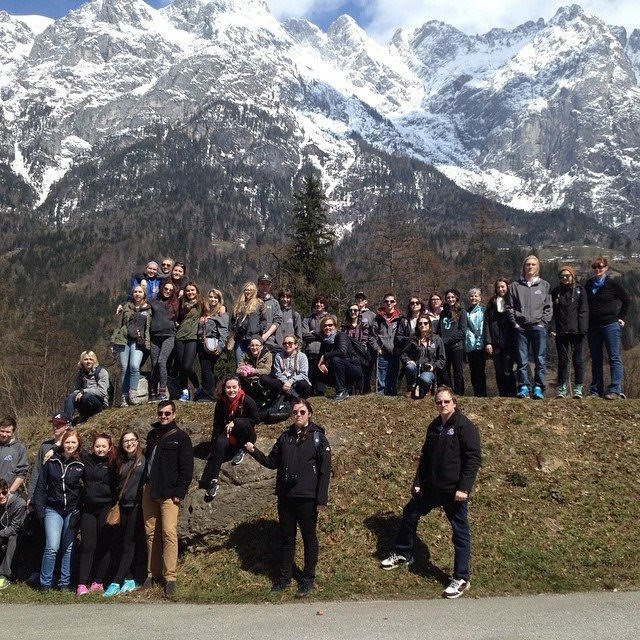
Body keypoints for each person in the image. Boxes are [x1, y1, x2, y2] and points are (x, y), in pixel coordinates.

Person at [380, 386, 481, 600]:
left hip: (454, 491)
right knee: (410, 512)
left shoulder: (465, 426)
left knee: (460, 533)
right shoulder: (434, 427)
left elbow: (473, 459)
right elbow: (425, 458)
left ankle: (461, 577)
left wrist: (464, 488)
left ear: (454, 402)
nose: (442, 405)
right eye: (439, 402)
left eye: (446, 402)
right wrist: (417, 482)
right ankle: (404, 553)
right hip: (432, 488)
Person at [244, 399, 331, 597]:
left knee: (309, 538)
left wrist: (321, 499)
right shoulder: (285, 437)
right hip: (286, 497)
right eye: (295, 412)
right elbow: (272, 462)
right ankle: (283, 579)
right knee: (286, 539)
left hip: (307, 498)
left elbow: (325, 471)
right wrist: (253, 451)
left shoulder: (318, 438)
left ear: (309, 414)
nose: (298, 415)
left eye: (302, 412)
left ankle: (308, 579)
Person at [142, 401, 193, 597]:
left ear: (174, 414)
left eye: (167, 413)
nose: (163, 416)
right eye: (160, 413)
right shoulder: (152, 435)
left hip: (169, 494)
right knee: (150, 533)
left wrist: (179, 493)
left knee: (169, 533)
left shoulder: (181, 437)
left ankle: (170, 576)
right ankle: (151, 573)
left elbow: (186, 469)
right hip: (150, 491)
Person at [33, 429, 84, 591]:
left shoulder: (82, 463)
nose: (70, 445)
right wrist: (40, 511)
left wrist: (80, 508)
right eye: (67, 442)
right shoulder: (52, 460)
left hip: (72, 510)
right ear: (63, 443)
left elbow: (87, 487)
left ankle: (64, 583)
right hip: (53, 509)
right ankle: (45, 583)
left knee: (68, 547)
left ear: (78, 444)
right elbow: (41, 486)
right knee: (52, 547)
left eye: (73, 442)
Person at [103, 431, 147, 597]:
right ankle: (129, 578)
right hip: (122, 507)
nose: (129, 444)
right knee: (122, 543)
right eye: (126, 441)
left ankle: (117, 581)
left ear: (137, 441)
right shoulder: (119, 461)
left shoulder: (144, 457)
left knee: (130, 543)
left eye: (132, 440)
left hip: (137, 506)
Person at [202, 376, 259, 500]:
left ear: (239, 388)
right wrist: (214, 445)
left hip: (247, 434)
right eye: (228, 387)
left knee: (242, 423)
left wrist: (236, 421)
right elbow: (217, 425)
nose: (231, 390)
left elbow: (256, 420)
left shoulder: (247, 400)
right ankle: (213, 481)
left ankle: (243, 449)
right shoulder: (221, 402)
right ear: (224, 388)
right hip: (229, 435)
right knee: (219, 443)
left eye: (234, 387)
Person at [76, 433, 117, 595]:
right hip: (88, 508)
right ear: (93, 447)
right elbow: (72, 445)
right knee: (88, 546)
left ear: (109, 447)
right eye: (97, 446)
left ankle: (99, 581)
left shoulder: (114, 463)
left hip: (106, 507)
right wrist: (53, 450)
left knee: (104, 545)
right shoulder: (87, 459)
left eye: (104, 446)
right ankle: (81, 584)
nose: (100, 449)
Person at [506, 255, 552, 399]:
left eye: (533, 264)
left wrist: (543, 323)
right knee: (522, 359)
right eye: (528, 265)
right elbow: (509, 307)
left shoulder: (544, 285)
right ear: (524, 267)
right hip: (521, 328)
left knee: (540, 358)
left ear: (537, 267)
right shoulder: (515, 286)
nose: (530, 267)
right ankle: (524, 387)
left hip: (538, 327)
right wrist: (515, 323)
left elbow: (548, 307)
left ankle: (538, 387)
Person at [585, 256, 630, 399]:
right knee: (596, 358)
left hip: (610, 325)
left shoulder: (612, 284)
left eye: (601, 267)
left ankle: (615, 389)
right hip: (593, 327)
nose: (598, 269)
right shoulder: (588, 284)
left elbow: (626, 300)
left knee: (614, 357)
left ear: (606, 268)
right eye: (595, 267)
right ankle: (596, 390)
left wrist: (621, 318)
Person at [550, 266, 589, 398]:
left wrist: (582, 329)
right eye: (562, 277)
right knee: (562, 361)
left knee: (577, 360)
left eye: (567, 276)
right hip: (561, 332)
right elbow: (553, 312)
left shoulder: (580, 290)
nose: (565, 279)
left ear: (573, 276)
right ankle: (562, 389)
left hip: (577, 332)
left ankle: (578, 388)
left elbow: (583, 310)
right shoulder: (556, 291)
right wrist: (553, 328)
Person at [112, 285, 151, 406]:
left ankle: (132, 394)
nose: (137, 294)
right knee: (124, 368)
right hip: (124, 340)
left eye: (140, 292)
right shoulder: (126, 307)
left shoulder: (149, 309)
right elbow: (119, 325)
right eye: (135, 292)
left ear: (144, 294)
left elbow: (149, 328)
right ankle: (124, 397)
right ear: (132, 294)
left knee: (134, 366)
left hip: (139, 341)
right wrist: (113, 341)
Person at [483, 278, 516, 397]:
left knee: (508, 370)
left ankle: (512, 394)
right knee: (499, 371)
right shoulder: (492, 303)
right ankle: (502, 394)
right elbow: (486, 323)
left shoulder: (512, 301)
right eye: (498, 287)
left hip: (509, 342)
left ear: (507, 287)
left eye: (503, 286)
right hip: (495, 342)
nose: (501, 289)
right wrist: (488, 342)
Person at [318, 315, 362, 400]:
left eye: (330, 325)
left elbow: (342, 351)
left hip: (353, 368)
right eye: (325, 326)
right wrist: (322, 364)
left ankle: (341, 391)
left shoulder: (341, 335)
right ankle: (318, 393)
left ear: (335, 326)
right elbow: (320, 357)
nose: (327, 327)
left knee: (336, 360)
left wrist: (325, 356)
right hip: (337, 369)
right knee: (316, 367)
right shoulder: (324, 341)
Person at [58, 351, 110, 424]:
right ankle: (66, 422)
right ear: (82, 361)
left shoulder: (101, 372)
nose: (88, 361)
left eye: (90, 359)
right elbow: (76, 389)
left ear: (94, 361)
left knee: (86, 396)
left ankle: (84, 417)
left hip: (99, 403)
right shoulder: (81, 374)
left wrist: (83, 391)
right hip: (84, 400)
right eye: (86, 359)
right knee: (70, 397)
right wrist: (78, 393)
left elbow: (102, 392)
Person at [27, 416, 70, 503]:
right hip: (46, 493)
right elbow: (37, 470)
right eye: (54, 424)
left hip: (68, 493)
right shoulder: (45, 446)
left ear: (67, 426)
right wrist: (30, 494)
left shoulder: (71, 445)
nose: (55, 427)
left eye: (59, 425)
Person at [148, 281, 179, 402]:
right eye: (166, 289)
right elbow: (137, 301)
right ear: (162, 289)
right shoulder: (153, 302)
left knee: (162, 362)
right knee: (155, 364)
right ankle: (153, 393)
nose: (168, 291)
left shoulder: (175, 304)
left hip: (169, 336)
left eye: (171, 290)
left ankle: (162, 392)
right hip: (155, 336)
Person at [196, 289, 229, 402]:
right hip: (201, 344)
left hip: (212, 345)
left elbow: (224, 331)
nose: (213, 299)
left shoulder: (221, 313)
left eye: (215, 297)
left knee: (207, 369)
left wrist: (219, 348)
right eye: (211, 297)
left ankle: (209, 395)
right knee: (204, 369)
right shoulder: (205, 310)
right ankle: (205, 392)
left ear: (219, 300)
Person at [400, 315, 445, 398]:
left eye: (425, 323)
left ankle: (427, 388)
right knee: (409, 367)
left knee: (425, 379)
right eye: (420, 323)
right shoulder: (412, 339)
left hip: (428, 370)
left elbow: (442, 359)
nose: (422, 325)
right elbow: (404, 354)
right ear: (417, 325)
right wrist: (408, 361)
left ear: (429, 325)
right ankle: (411, 388)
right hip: (415, 367)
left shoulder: (437, 339)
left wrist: (433, 366)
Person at [175, 282, 203, 402]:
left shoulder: (201, 304)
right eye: (188, 290)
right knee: (181, 366)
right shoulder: (181, 303)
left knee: (187, 366)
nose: (190, 292)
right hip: (180, 336)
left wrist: (223, 308)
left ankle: (197, 386)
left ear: (196, 291)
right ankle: (184, 392)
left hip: (193, 337)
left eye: (192, 290)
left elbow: (214, 306)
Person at [261, 336, 312, 402]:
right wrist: (285, 381)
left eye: (290, 343)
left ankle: (301, 400)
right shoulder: (278, 356)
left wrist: (290, 381)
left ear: (296, 345)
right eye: (285, 343)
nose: (287, 345)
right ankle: (281, 399)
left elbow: (303, 374)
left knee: (303, 384)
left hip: (297, 381)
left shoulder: (302, 356)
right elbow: (277, 373)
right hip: (283, 382)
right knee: (266, 379)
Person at [437, 289, 468, 396]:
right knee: (444, 371)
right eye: (448, 297)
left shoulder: (462, 312)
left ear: (457, 298)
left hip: (456, 346)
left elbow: (462, 331)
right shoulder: (443, 313)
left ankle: (459, 393)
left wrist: (448, 341)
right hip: (444, 347)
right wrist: (440, 341)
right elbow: (439, 330)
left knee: (457, 371)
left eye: (452, 297)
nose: (450, 299)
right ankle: (449, 393)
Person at [371, 294, 402, 396]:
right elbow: (372, 336)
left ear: (395, 302)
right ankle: (380, 395)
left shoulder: (400, 318)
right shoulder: (378, 318)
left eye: (391, 301)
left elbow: (403, 335)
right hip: (382, 351)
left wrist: (399, 348)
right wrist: (377, 348)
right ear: (383, 303)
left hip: (395, 351)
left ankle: (392, 394)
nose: (389, 303)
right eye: (387, 301)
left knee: (393, 374)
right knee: (381, 374)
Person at [230, 282, 267, 363]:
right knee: (240, 364)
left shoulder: (259, 303)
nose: (248, 292)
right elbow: (232, 321)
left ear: (255, 291)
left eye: (251, 290)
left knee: (252, 364)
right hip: (240, 339)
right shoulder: (238, 305)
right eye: (246, 290)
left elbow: (264, 321)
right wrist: (236, 328)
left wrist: (257, 329)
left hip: (253, 341)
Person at [0, 478, 26, 589]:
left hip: (17, 534)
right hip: (2, 532)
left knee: (13, 537)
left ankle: (4, 575)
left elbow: (15, 527)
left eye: (4, 492)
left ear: (8, 490)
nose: (1, 496)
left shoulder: (19, 503)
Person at [302, 295, 329, 396]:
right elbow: (304, 335)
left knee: (322, 376)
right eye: (317, 302)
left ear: (325, 304)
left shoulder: (329, 317)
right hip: (310, 351)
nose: (318, 304)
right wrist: (321, 335)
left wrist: (314, 333)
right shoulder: (308, 319)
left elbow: (329, 334)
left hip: (324, 352)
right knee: (311, 376)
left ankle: (321, 396)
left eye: (321, 302)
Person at [236, 337, 274, 405]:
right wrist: (243, 370)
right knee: (237, 378)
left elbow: (267, 370)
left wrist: (254, 371)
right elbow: (238, 369)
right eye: (252, 345)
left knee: (265, 379)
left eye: (257, 345)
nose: (254, 347)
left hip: (260, 379)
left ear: (261, 346)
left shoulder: (268, 355)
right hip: (248, 379)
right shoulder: (245, 355)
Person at [465, 288, 487, 397]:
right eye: (471, 296)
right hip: (470, 346)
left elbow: (483, 328)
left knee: (480, 371)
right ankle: (476, 394)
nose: (473, 298)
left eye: (476, 296)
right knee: (473, 372)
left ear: (480, 298)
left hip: (480, 345)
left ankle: (482, 394)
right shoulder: (466, 311)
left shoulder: (483, 310)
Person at [354, 292, 376, 393]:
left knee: (367, 369)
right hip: (354, 346)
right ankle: (356, 390)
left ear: (366, 301)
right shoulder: (351, 312)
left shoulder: (371, 315)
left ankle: (366, 390)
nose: (359, 300)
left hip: (368, 347)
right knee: (356, 369)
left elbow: (374, 330)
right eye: (357, 299)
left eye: (362, 299)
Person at [0, 417, 28, 493]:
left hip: (7, 494)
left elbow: (21, 473)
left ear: (13, 432)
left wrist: (10, 493)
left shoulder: (19, 448)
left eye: (8, 432)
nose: (4, 434)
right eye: (2, 431)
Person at [257, 274, 283, 353]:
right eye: (262, 284)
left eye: (267, 284)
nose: (265, 286)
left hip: (269, 341)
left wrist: (266, 335)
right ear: (258, 285)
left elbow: (277, 320)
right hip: (253, 340)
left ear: (270, 286)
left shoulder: (274, 303)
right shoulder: (253, 300)